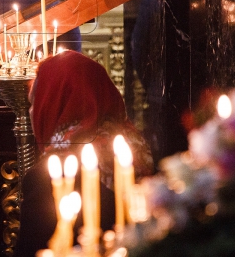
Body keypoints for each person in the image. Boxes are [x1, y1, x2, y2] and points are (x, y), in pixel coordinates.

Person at [14, 51, 154, 257]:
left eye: (34, 102)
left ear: (52, 104)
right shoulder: (136, 150)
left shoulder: (49, 177)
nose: (31, 112)